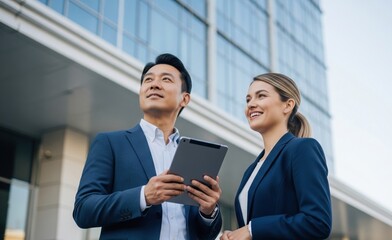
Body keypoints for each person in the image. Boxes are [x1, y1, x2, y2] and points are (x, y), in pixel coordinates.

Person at [73, 53, 222, 240]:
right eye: (148, 80)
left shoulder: (195, 157)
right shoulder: (110, 143)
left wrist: (208, 211)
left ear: (184, 99)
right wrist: (144, 196)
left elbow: (206, 233)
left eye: (166, 79)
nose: (154, 84)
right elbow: (83, 210)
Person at [221, 73, 332, 240]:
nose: (251, 104)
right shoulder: (251, 170)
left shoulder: (303, 148)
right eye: (248, 99)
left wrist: (251, 230)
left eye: (261, 96)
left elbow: (317, 221)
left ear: (287, 105)